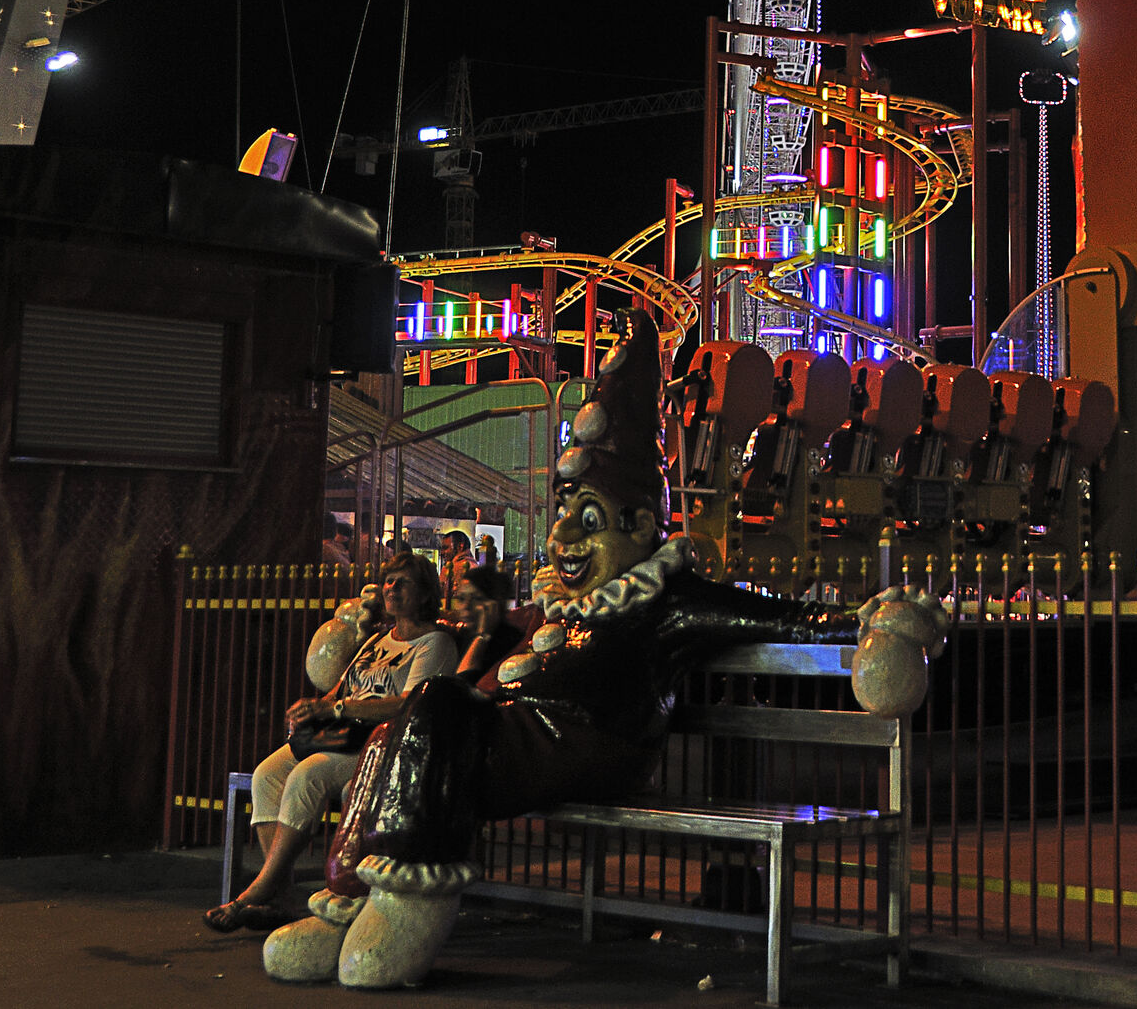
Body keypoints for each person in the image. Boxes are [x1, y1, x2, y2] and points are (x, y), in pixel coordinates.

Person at [259, 308, 947, 988]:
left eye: (588, 520)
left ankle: (406, 907)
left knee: (433, 708)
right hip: (528, 740)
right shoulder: (571, 602)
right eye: (564, 517)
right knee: (400, 726)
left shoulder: (668, 597)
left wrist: (870, 619)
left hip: (595, 747)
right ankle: (344, 906)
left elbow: (779, 618)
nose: (565, 540)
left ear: (642, 522)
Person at [206, 552, 456, 932]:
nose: (391, 588)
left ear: (425, 594)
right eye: (388, 581)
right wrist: (315, 707)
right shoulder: (377, 639)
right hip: (342, 736)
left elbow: (410, 703)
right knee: (267, 775)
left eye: (403, 582)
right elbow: (344, 686)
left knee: (309, 774)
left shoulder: (434, 643)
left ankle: (260, 888)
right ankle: (283, 892)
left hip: (380, 748)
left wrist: (339, 708)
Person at [450, 564, 521, 679]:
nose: (466, 606)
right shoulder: (458, 637)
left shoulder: (511, 642)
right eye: (461, 599)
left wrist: (483, 636)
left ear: (495, 603)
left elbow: (463, 684)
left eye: (477, 599)